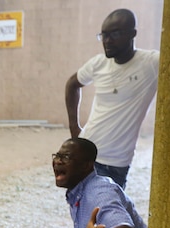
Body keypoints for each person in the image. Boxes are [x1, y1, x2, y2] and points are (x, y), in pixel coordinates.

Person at [65, 8, 159, 189]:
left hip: (115, 163)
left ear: (133, 33)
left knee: (106, 215)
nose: (107, 41)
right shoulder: (98, 63)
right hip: (85, 152)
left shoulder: (151, 63)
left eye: (114, 34)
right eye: (103, 35)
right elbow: (72, 84)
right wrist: (74, 129)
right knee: (83, 213)